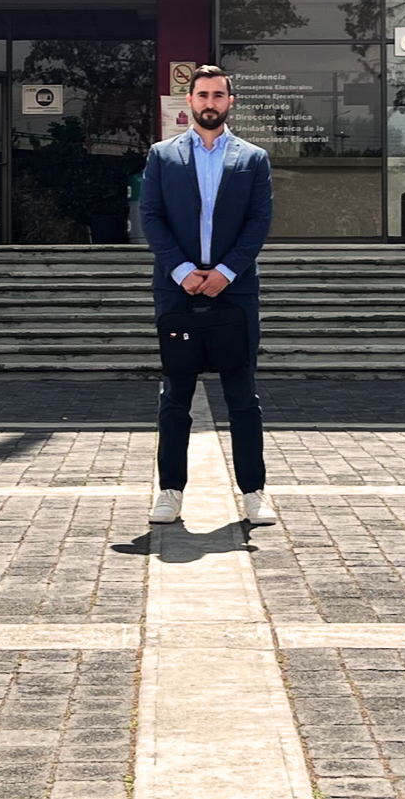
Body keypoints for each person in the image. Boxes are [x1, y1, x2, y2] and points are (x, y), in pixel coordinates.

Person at [138, 65, 276, 527]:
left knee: (243, 396)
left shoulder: (253, 158)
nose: (210, 102)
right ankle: (170, 492)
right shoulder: (162, 155)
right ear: (189, 101)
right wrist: (181, 271)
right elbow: (152, 217)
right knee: (175, 396)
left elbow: (258, 221)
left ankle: (254, 492)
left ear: (230, 101)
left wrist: (225, 271)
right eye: (202, 94)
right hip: (177, 292)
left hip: (235, 294)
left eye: (218, 94)